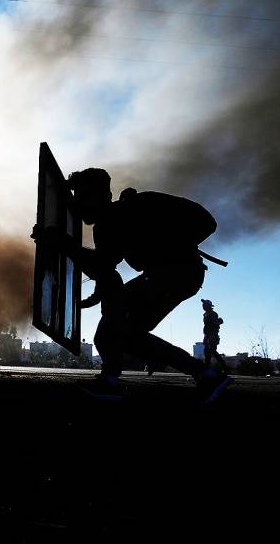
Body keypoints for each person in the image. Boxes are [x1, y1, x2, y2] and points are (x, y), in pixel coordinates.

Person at [33, 168, 232, 403]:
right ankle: (205, 374)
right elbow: (104, 267)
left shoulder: (134, 207)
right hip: (170, 276)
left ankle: (111, 382)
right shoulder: (106, 226)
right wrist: (97, 291)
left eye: (86, 196)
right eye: (78, 196)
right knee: (126, 334)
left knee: (111, 331)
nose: (80, 203)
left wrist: (171, 246)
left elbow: (207, 222)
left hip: (178, 273)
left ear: (103, 196)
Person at [201, 299, 229, 373]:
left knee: (212, 351)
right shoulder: (205, 314)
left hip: (212, 336)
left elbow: (215, 324)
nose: (203, 306)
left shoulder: (212, 314)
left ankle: (225, 367)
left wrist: (218, 322)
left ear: (209, 306)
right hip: (207, 336)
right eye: (203, 304)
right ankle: (207, 368)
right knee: (207, 352)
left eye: (205, 304)